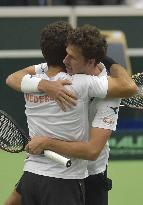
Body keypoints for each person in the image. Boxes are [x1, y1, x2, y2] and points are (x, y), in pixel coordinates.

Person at [5, 22, 137, 205]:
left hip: (90, 174)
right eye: (65, 54)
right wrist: (46, 85)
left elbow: (92, 151)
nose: (66, 60)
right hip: (49, 168)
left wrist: (111, 62)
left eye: (72, 56)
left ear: (90, 61)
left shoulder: (108, 94)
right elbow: (13, 78)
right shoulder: (64, 68)